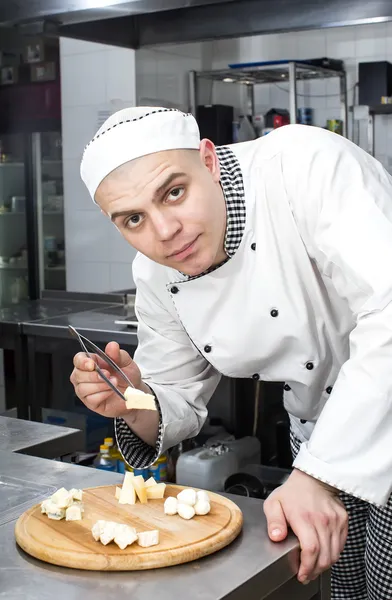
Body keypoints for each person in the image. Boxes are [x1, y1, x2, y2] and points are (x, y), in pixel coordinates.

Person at [71, 106, 392, 598]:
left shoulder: (305, 167)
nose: (163, 232)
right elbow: (174, 396)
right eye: (133, 219)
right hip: (321, 441)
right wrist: (132, 398)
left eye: (173, 193)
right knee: (344, 591)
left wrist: (317, 477)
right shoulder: (157, 272)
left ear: (209, 160)